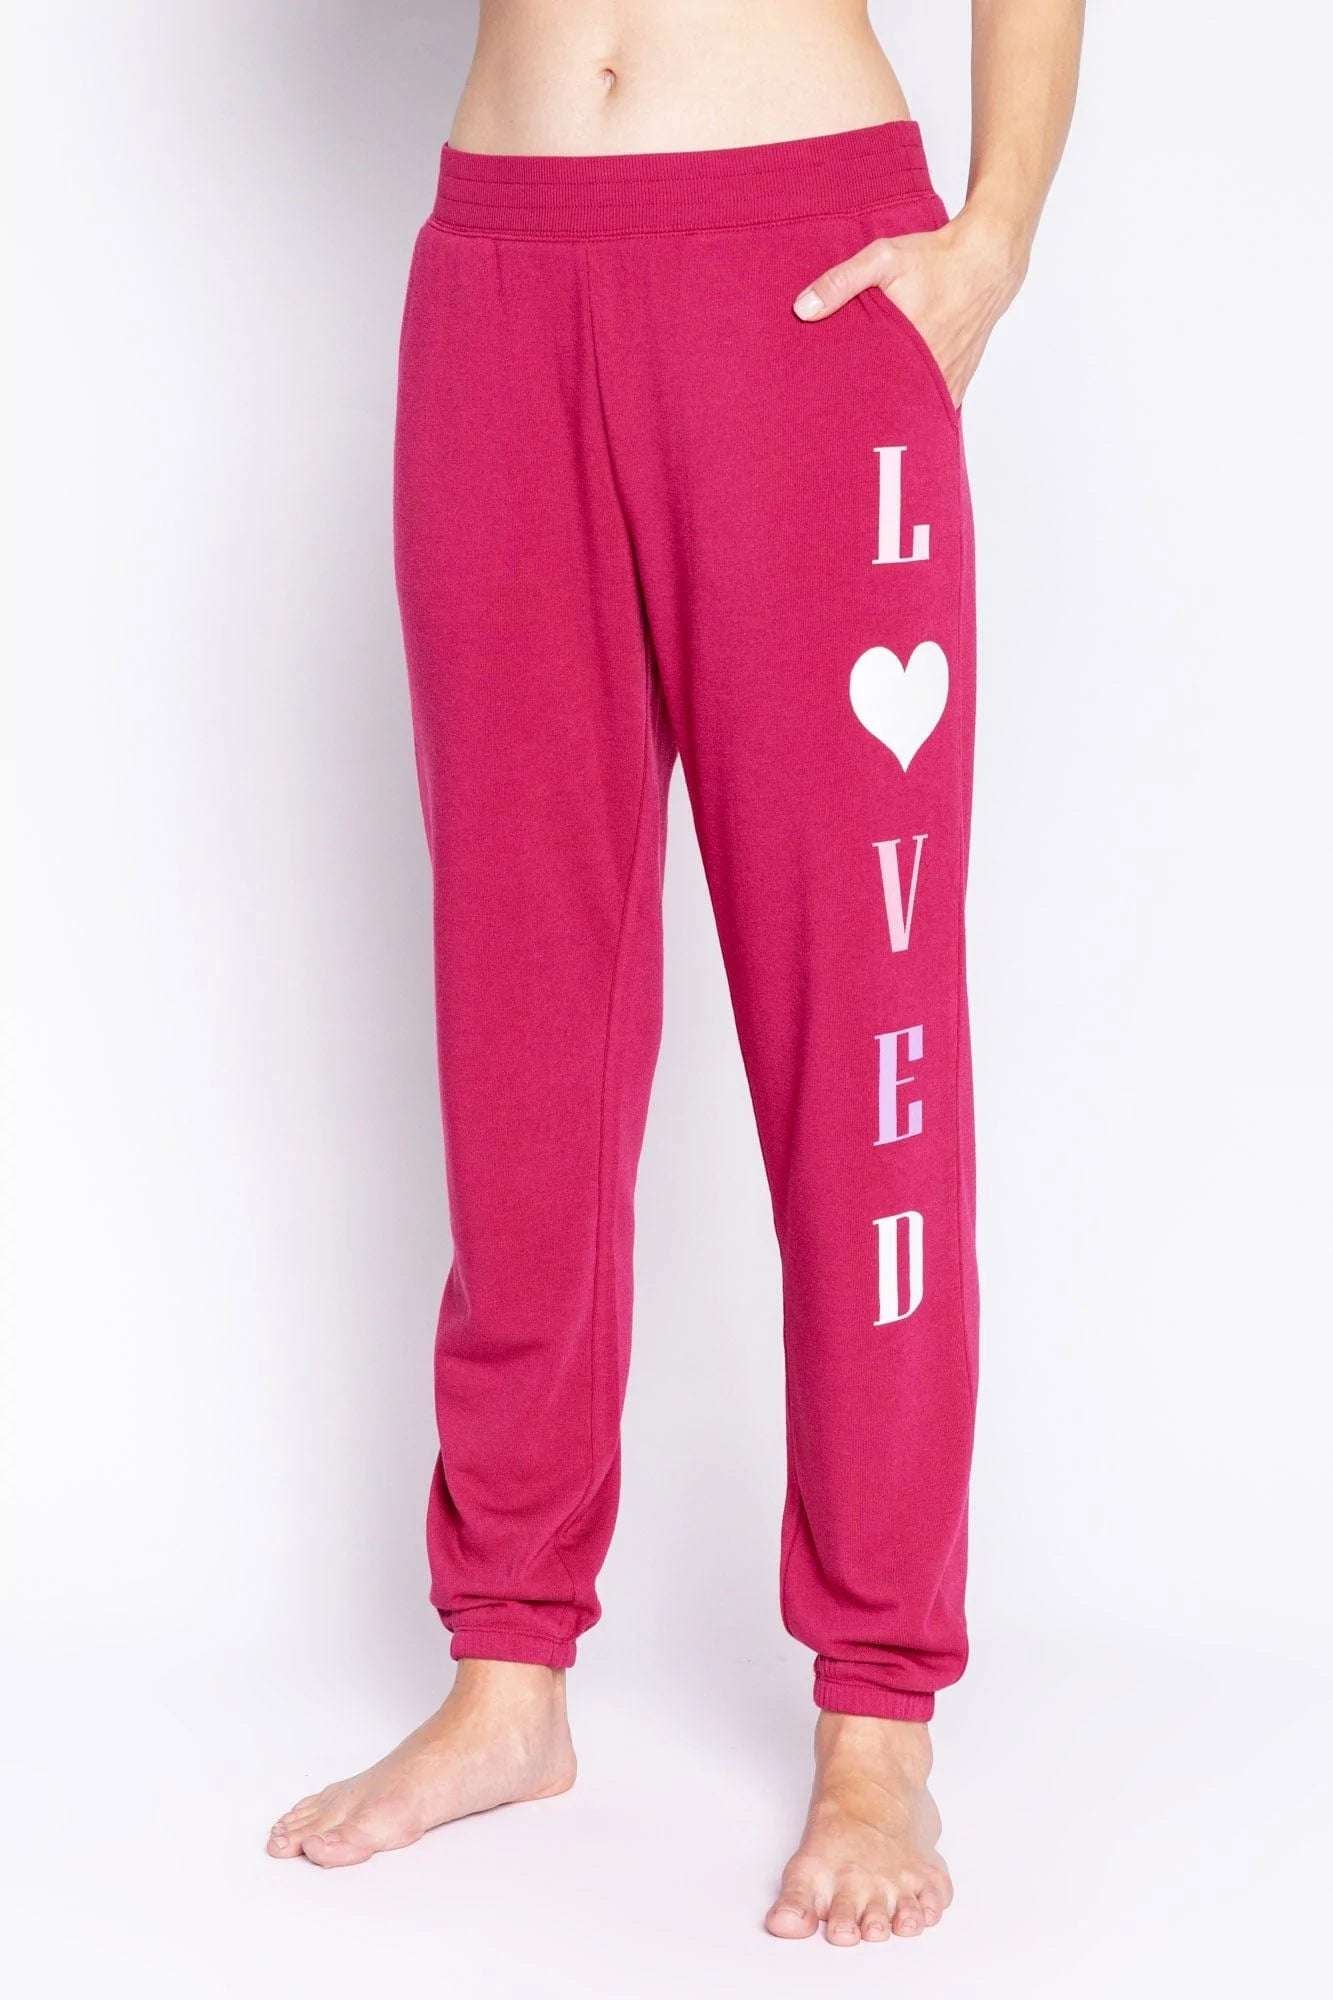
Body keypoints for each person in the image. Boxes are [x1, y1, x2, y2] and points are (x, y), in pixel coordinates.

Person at [267, 0, 1082, 1947]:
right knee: (518, 1010)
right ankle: (507, 1670)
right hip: (499, 263)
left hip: (801, 273)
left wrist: (994, 233)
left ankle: (877, 1711)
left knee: (856, 1012)